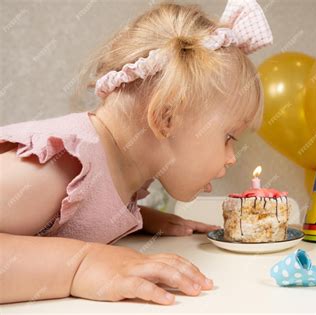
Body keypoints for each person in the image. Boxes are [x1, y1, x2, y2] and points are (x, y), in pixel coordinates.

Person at [0, 0, 272, 305]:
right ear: (166, 118)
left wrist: (141, 218)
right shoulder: (60, 167)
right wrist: (80, 265)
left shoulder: (121, 168)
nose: (231, 157)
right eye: (229, 137)